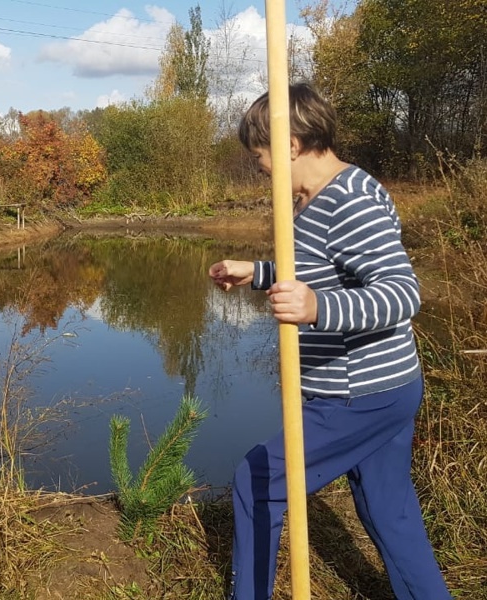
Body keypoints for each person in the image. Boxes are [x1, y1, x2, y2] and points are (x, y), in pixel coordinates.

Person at [208, 83, 452, 600]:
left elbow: (401, 294)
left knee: (258, 483)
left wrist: (319, 309)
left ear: (291, 144)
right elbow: (322, 270)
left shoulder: (350, 199)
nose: (261, 169)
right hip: (383, 386)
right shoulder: (313, 200)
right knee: (388, 507)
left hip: (357, 393)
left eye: (261, 157)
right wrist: (256, 272)